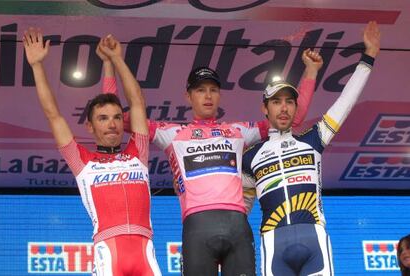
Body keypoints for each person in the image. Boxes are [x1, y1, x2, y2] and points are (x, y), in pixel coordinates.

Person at [103, 47, 323, 275]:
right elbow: (115, 118)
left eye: (213, 90)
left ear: (219, 95)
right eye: (200, 90)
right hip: (197, 228)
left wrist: (311, 71)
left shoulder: (240, 131)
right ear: (188, 96)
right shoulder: (171, 133)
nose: (207, 96)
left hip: (237, 225)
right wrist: (110, 64)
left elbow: (291, 119)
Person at [242, 21, 380, 276]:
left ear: (296, 108)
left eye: (289, 103)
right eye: (276, 102)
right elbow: (239, 211)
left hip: (314, 238)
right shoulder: (249, 157)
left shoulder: (313, 139)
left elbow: (345, 101)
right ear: (265, 108)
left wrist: (368, 56)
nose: (283, 108)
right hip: (272, 244)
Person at [23, 28, 161, 276]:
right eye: (103, 119)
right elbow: (53, 114)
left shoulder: (137, 152)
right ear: (90, 125)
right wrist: (37, 66)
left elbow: (137, 102)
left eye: (118, 118)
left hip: (146, 253)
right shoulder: (82, 162)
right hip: (108, 255)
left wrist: (115, 59)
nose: (112, 124)